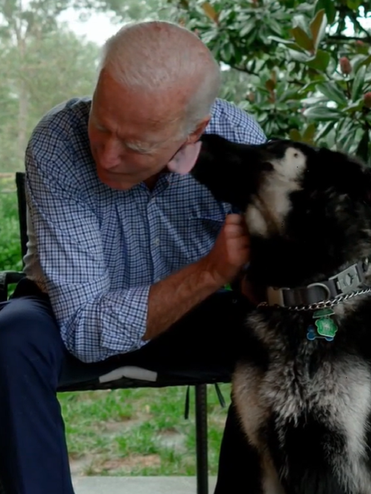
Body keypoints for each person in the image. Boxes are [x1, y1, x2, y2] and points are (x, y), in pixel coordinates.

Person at [0, 20, 267, 494]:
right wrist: (210, 271)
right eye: (101, 126)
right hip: (66, 315)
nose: (106, 155)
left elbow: (259, 279)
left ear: (195, 132)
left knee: (281, 337)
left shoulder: (240, 140)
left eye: (136, 145)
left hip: (193, 314)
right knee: (10, 337)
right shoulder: (58, 142)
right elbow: (83, 327)